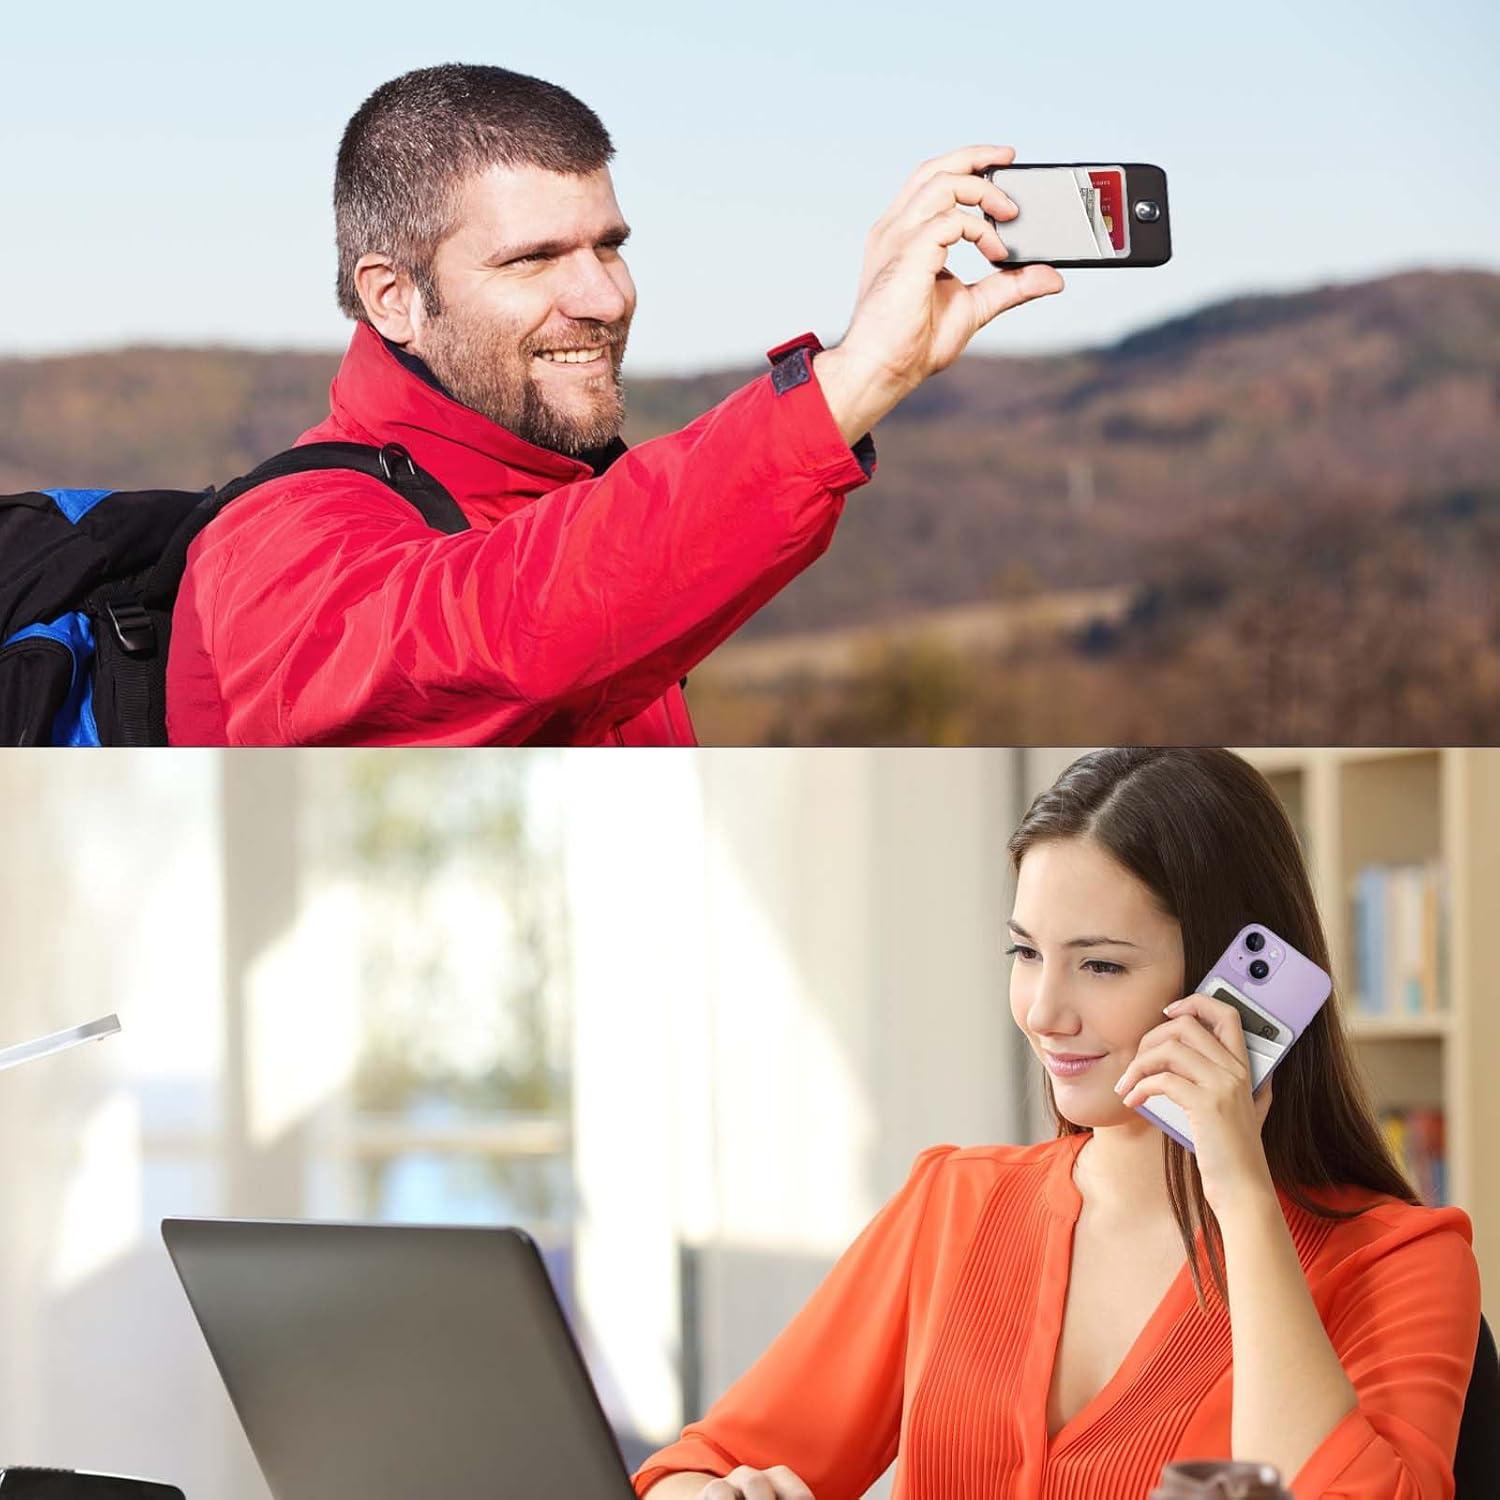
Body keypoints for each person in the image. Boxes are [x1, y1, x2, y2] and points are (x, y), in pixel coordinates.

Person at [633, 748, 1481, 1500]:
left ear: (1233, 986)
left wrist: (1243, 1199)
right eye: (1026, 953)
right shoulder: (953, 1205)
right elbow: (699, 1462)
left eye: (1101, 965)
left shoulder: (1401, 1262)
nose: (1044, 1012)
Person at [164, 63, 1063, 745]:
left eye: (609, 245)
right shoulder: (282, 540)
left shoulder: (562, 500)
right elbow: (501, 634)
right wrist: (854, 378)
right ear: (392, 297)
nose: (603, 296)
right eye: (533, 259)